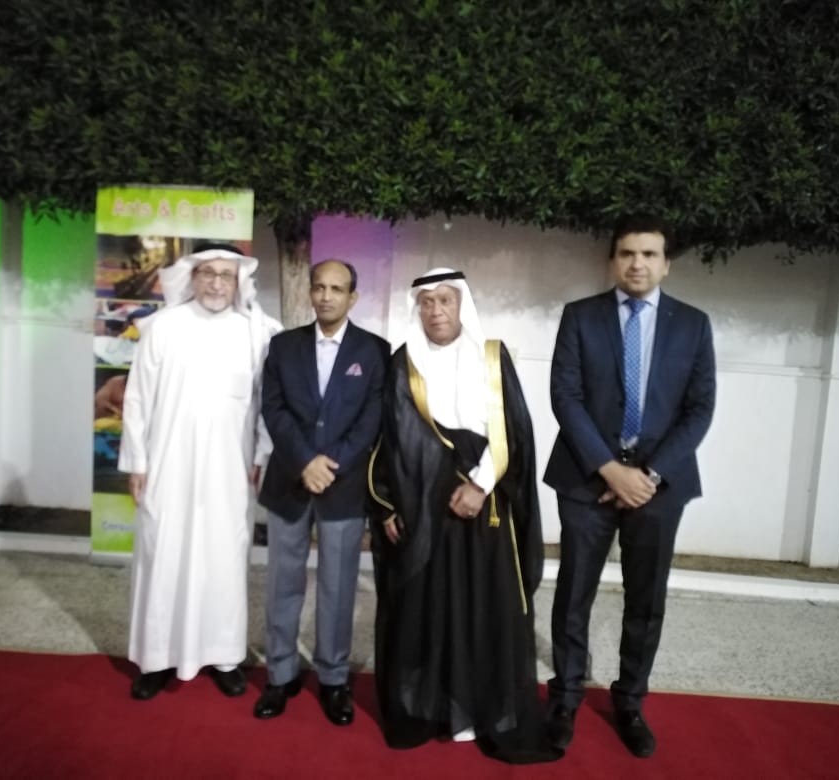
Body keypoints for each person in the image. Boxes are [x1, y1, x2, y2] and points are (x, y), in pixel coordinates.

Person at [370, 268, 561, 764]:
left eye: (446, 301)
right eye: (427, 302)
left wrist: (479, 485)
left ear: (462, 306)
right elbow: (387, 439)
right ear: (417, 308)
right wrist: (388, 502)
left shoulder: (492, 357)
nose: (436, 311)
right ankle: (435, 707)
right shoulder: (402, 363)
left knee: (483, 605)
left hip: (484, 506)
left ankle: (483, 708)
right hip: (423, 507)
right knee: (431, 605)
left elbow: (512, 430)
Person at [543, 214, 716, 757]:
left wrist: (648, 475)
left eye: (649, 254)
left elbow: (699, 409)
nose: (637, 264)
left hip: (659, 488)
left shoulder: (693, 325)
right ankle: (565, 699)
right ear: (612, 260)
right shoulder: (580, 316)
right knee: (574, 594)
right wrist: (609, 468)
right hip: (585, 478)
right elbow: (565, 396)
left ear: (666, 264)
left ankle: (631, 702)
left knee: (646, 599)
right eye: (627, 254)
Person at [118, 242, 280, 701]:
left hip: (230, 472)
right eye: (208, 273)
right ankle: (156, 659)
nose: (216, 283)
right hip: (166, 468)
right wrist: (137, 461)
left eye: (225, 275)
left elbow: (267, 402)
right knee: (162, 557)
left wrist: (261, 455)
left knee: (224, 560)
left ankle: (224, 657)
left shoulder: (257, 332)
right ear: (192, 277)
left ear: (238, 281)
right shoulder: (164, 327)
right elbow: (137, 398)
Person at [254, 259, 389, 726]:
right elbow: (273, 409)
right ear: (310, 293)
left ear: (353, 297)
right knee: (283, 583)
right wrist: (304, 461)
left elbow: (372, 418)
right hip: (290, 480)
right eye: (319, 287)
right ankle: (280, 673)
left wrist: (331, 465)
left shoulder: (374, 351)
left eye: (337, 288)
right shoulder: (283, 346)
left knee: (339, 586)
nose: (326, 296)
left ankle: (333, 679)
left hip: (343, 485)